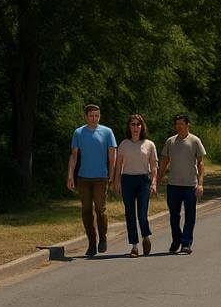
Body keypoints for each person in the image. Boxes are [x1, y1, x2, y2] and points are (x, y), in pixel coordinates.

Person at [67, 104, 117, 257]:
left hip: (101, 177)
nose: (94, 118)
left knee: (100, 209)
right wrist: (70, 175)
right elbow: (74, 155)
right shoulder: (79, 133)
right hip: (83, 178)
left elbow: (112, 155)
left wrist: (112, 175)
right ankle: (91, 242)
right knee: (86, 210)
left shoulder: (107, 132)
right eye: (91, 116)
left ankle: (103, 238)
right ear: (86, 117)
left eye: (97, 115)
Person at [158, 113, 206, 255]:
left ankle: (186, 243)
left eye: (181, 124)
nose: (178, 126)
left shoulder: (195, 141)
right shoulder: (170, 141)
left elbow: (201, 163)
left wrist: (200, 183)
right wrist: (157, 180)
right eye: (177, 124)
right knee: (174, 216)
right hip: (173, 185)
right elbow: (164, 163)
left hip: (190, 184)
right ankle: (176, 239)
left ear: (187, 125)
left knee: (190, 215)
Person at [113, 114, 159, 257]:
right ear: (129, 126)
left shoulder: (149, 144)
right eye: (132, 124)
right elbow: (118, 164)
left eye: (138, 125)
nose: (135, 127)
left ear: (142, 127)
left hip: (143, 181)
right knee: (130, 214)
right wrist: (117, 181)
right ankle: (134, 246)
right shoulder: (124, 144)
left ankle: (146, 236)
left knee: (142, 214)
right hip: (127, 180)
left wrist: (154, 182)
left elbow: (153, 165)